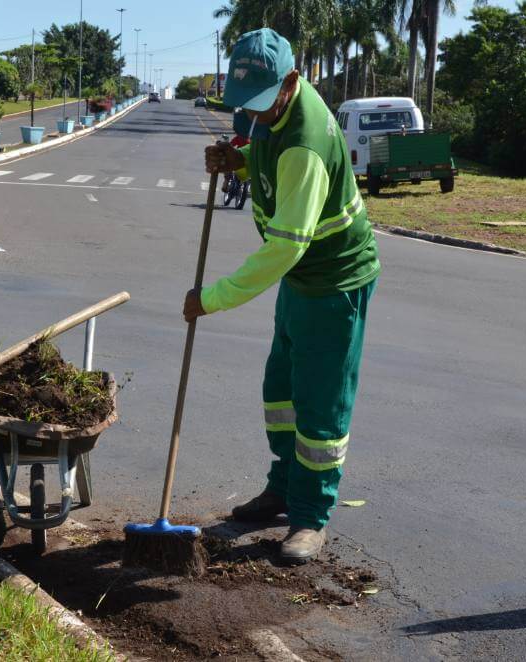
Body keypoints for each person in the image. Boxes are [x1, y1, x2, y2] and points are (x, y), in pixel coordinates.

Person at [183, 28, 380, 563]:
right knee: (282, 390)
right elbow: (264, 157)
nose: (255, 115)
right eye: (245, 105)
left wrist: (213, 297)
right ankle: (283, 487)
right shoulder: (268, 111)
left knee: (320, 401)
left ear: (292, 82)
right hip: (301, 281)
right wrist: (238, 161)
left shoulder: (306, 144)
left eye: (262, 103)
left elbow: (284, 248)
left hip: (334, 281)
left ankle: (309, 517)